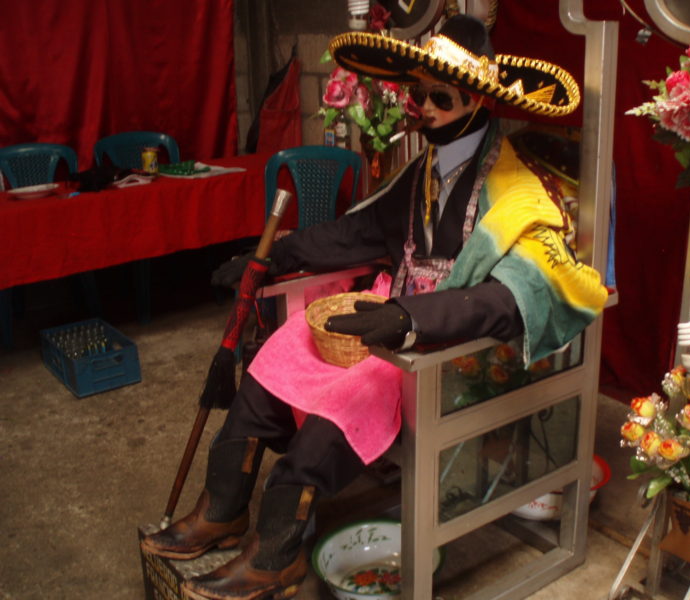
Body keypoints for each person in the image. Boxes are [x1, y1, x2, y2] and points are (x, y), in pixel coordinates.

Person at [141, 14, 608, 600]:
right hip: (390, 322)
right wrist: (273, 259)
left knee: (343, 402)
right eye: (420, 96)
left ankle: (275, 554)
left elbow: (519, 295)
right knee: (278, 356)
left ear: (477, 102)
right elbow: (353, 235)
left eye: (441, 97)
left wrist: (415, 320)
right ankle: (224, 506)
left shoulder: (515, 190)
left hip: (448, 352)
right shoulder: (422, 175)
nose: (426, 110)